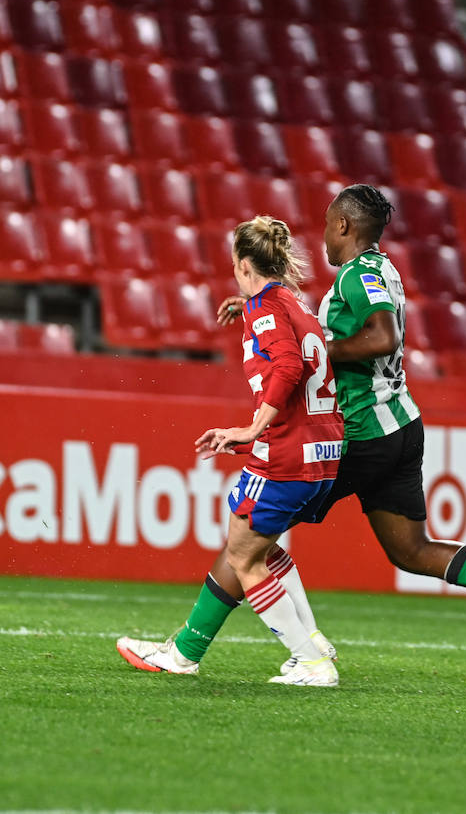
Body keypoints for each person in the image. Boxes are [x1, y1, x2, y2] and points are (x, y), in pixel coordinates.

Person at [212, 184, 466, 665]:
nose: (322, 236)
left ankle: (190, 648)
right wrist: (257, 309)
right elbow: (343, 329)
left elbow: (383, 336)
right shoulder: (384, 271)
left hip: (360, 433)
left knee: (249, 536)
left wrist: (314, 353)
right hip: (401, 426)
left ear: (343, 225)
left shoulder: (357, 276)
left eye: (326, 224)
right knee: (411, 550)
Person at [117, 216, 346, 686]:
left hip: (285, 450)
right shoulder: (291, 303)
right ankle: (307, 642)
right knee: (257, 543)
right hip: (323, 451)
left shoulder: (267, 310)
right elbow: (297, 343)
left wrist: (252, 427)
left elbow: (287, 363)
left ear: (244, 265)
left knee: (243, 557)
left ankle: (310, 660)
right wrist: (249, 306)